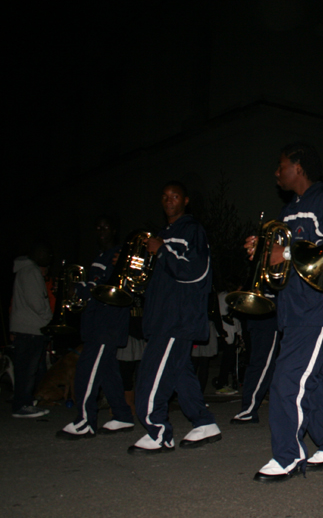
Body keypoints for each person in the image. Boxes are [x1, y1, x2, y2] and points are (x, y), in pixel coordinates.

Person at [251, 142, 323, 481]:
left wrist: (284, 252)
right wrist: (262, 249)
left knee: (288, 379)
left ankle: (288, 455)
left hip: (320, 306)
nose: (276, 173)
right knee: (311, 380)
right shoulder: (288, 210)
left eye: (281, 166)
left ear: (299, 167)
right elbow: (280, 254)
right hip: (294, 308)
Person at [128, 181, 221, 454]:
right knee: (179, 372)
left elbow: (197, 272)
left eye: (175, 196)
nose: (169, 200)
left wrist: (163, 251)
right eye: (165, 196)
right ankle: (204, 423)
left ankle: (158, 431)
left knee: (151, 373)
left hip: (177, 317)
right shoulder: (163, 233)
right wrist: (134, 268)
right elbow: (158, 279)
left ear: (186, 200)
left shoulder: (192, 230)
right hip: (162, 316)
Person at [57, 216, 136, 438]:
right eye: (98, 227)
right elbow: (93, 287)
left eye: (106, 227)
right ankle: (122, 415)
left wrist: (86, 288)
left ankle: (85, 421)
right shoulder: (98, 258)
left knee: (86, 369)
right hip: (96, 322)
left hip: (107, 323)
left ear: (114, 231)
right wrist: (76, 289)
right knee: (108, 372)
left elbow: (117, 287)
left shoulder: (119, 255)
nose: (101, 231)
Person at [10, 244, 53, 418]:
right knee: (27, 371)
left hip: (27, 328)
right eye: (44, 252)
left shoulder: (25, 271)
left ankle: (25, 401)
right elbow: (37, 303)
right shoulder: (31, 271)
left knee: (27, 369)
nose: (48, 255)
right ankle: (22, 405)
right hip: (30, 329)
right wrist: (49, 319)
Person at [230, 312, 279, 424]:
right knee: (256, 365)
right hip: (256, 320)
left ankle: (249, 409)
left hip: (269, 318)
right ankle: (249, 408)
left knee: (262, 365)